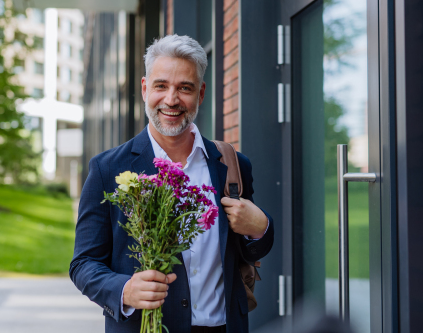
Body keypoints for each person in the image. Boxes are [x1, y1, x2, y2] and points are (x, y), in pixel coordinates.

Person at [70, 35, 274, 333]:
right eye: (161, 86)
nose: (171, 99)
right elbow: (83, 264)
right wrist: (124, 289)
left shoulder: (233, 164)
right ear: (144, 89)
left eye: (185, 88)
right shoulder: (107, 168)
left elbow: (247, 250)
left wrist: (262, 229)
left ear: (201, 94)